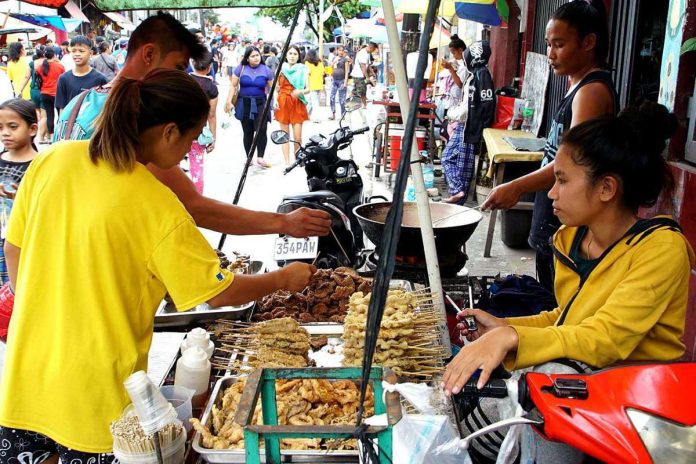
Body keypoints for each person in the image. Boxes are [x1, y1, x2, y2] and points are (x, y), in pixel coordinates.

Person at [0, 67, 315, 461]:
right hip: (96, 393)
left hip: (25, 373)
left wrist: (37, 310)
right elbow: (220, 292)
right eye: (192, 136)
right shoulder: (156, 204)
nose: (190, 149)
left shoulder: (54, 160)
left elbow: (13, 248)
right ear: (168, 132)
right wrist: (284, 278)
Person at [443, 102, 691, 396]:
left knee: (548, 379)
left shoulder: (660, 249)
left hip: (640, 398)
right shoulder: (571, 238)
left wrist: (513, 338)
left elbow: (606, 337)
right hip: (589, 379)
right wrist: (503, 327)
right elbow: (567, 320)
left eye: (562, 180)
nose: (551, 192)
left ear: (606, 188)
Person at [54, 12, 331, 239]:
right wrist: (283, 223)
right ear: (149, 55)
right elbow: (193, 205)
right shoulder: (136, 115)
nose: (183, 78)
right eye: (177, 67)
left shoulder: (79, 102)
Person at [482, 0, 618, 292]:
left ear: (588, 42)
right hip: (555, 214)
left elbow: (573, 165)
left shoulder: (591, 92)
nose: (550, 54)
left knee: (558, 304)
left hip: (569, 224)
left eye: (559, 44)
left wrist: (516, 186)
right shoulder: (576, 86)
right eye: (548, 44)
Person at [0, 99, 38, 285]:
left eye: (13, 126)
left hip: (21, 241)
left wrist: (21, 198)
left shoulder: (39, 165)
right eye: (0, 127)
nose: (5, 133)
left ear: (32, 129)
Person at [225, 46, 274, 168]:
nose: (256, 58)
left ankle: (260, 157)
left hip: (261, 103)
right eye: (252, 56)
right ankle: (249, 157)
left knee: (262, 129)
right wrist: (229, 101)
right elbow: (233, 86)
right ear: (247, 58)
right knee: (248, 131)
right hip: (244, 102)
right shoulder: (240, 69)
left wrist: (275, 101)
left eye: (257, 55)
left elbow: (273, 88)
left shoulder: (266, 70)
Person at [439, 34, 469, 204]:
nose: (453, 56)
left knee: (448, 156)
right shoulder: (460, 66)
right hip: (455, 114)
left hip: (460, 117)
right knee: (451, 155)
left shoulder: (465, 68)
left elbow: (460, 85)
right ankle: (456, 191)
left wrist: (451, 69)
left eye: (454, 52)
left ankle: (457, 190)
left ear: (460, 50)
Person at [187, 51, 218, 192]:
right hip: (197, 133)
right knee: (196, 169)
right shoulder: (211, 87)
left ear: (192, 64)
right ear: (209, 67)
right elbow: (211, 115)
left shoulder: (182, 81)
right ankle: (196, 198)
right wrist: (213, 137)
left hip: (175, 131)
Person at [55, 36, 108, 115]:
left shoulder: (100, 79)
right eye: (73, 51)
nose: (77, 54)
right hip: (70, 125)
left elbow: (104, 109)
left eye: (81, 51)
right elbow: (62, 109)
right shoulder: (63, 79)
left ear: (90, 53)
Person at [275, 45, 309, 166]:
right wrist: (275, 100)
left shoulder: (303, 69)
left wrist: (300, 92)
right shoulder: (280, 68)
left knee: (297, 137)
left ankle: (297, 158)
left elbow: (308, 88)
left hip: (297, 102)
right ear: (286, 55)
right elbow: (275, 88)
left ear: (299, 56)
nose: (293, 56)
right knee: (284, 135)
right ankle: (287, 161)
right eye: (290, 53)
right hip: (283, 102)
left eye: (295, 54)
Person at [37, 47, 65, 141]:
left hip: (45, 93)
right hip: (57, 93)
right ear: (54, 55)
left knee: (49, 115)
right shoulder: (60, 66)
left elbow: (38, 81)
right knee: (60, 115)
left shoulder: (39, 67)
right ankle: (59, 135)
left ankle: (51, 136)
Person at [28, 47, 48, 143]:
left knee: (39, 114)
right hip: (43, 90)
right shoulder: (47, 62)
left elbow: (26, 77)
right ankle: (41, 137)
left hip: (33, 91)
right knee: (45, 116)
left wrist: (19, 90)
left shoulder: (32, 64)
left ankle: (47, 134)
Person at [349, 42, 377, 109]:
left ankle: (353, 102)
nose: (373, 52)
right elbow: (363, 67)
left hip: (359, 75)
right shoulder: (363, 53)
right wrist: (367, 77)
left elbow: (368, 65)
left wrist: (372, 72)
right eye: (373, 50)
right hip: (359, 75)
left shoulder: (367, 53)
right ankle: (362, 105)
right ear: (371, 47)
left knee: (357, 90)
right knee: (362, 90)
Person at [329, 45, 349, 120]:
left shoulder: (345, 60)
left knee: (342, 99)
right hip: (334, 80)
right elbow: (331, 66)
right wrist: (334, 61)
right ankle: (333, 113)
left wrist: (346, 82)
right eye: (339, 50)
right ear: (337, 51)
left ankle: (342, 114)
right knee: (332, 97)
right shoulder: (334, 58)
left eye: (342, 50)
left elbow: (347, 71)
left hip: (342, 80)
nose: (341, 52)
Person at [304, 49, 325, 122]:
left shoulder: (307, 63)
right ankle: (305, 115)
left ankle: (316, 118)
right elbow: (323, 73)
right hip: (319, 84)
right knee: (311, 101)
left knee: (314, 102)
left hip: (311, 84)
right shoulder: (320, 62)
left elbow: (308, 73)